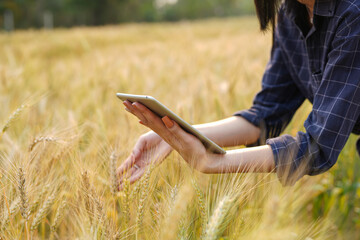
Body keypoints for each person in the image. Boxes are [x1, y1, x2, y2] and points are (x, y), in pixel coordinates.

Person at [117, 0, 360, 187]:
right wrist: (174, 133)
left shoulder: (353, 14)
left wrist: (212, 162)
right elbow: (267, 113)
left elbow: (318, 147)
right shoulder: (289, 15)